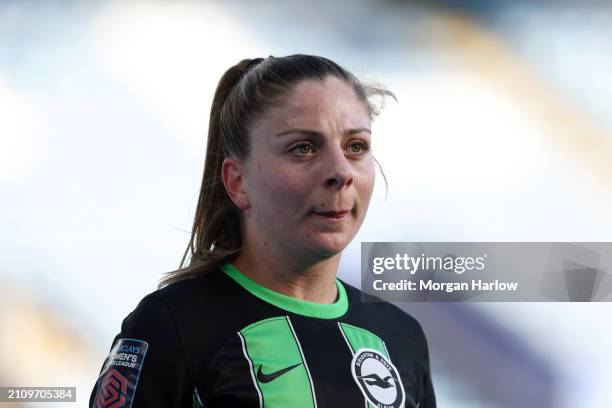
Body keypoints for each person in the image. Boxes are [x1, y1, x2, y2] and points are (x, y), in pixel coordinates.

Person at [89, 54, 436, 408]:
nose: (341, 171)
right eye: (303, 148)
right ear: (238, 182)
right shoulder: (172, 326)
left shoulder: (402, 337)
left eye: (356, 147)